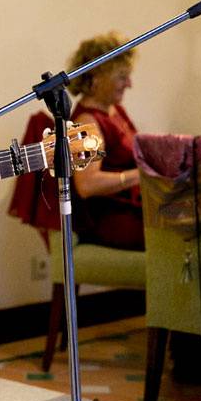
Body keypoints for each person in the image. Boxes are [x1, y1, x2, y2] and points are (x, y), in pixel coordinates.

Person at [66, 31, 143, 250]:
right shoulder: (86, 121)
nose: (129, 84)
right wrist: (141, 175)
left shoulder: (115, 111)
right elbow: (87, 185)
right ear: (97, 79)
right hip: (109, 220)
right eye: (121, 77)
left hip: (131, 210)